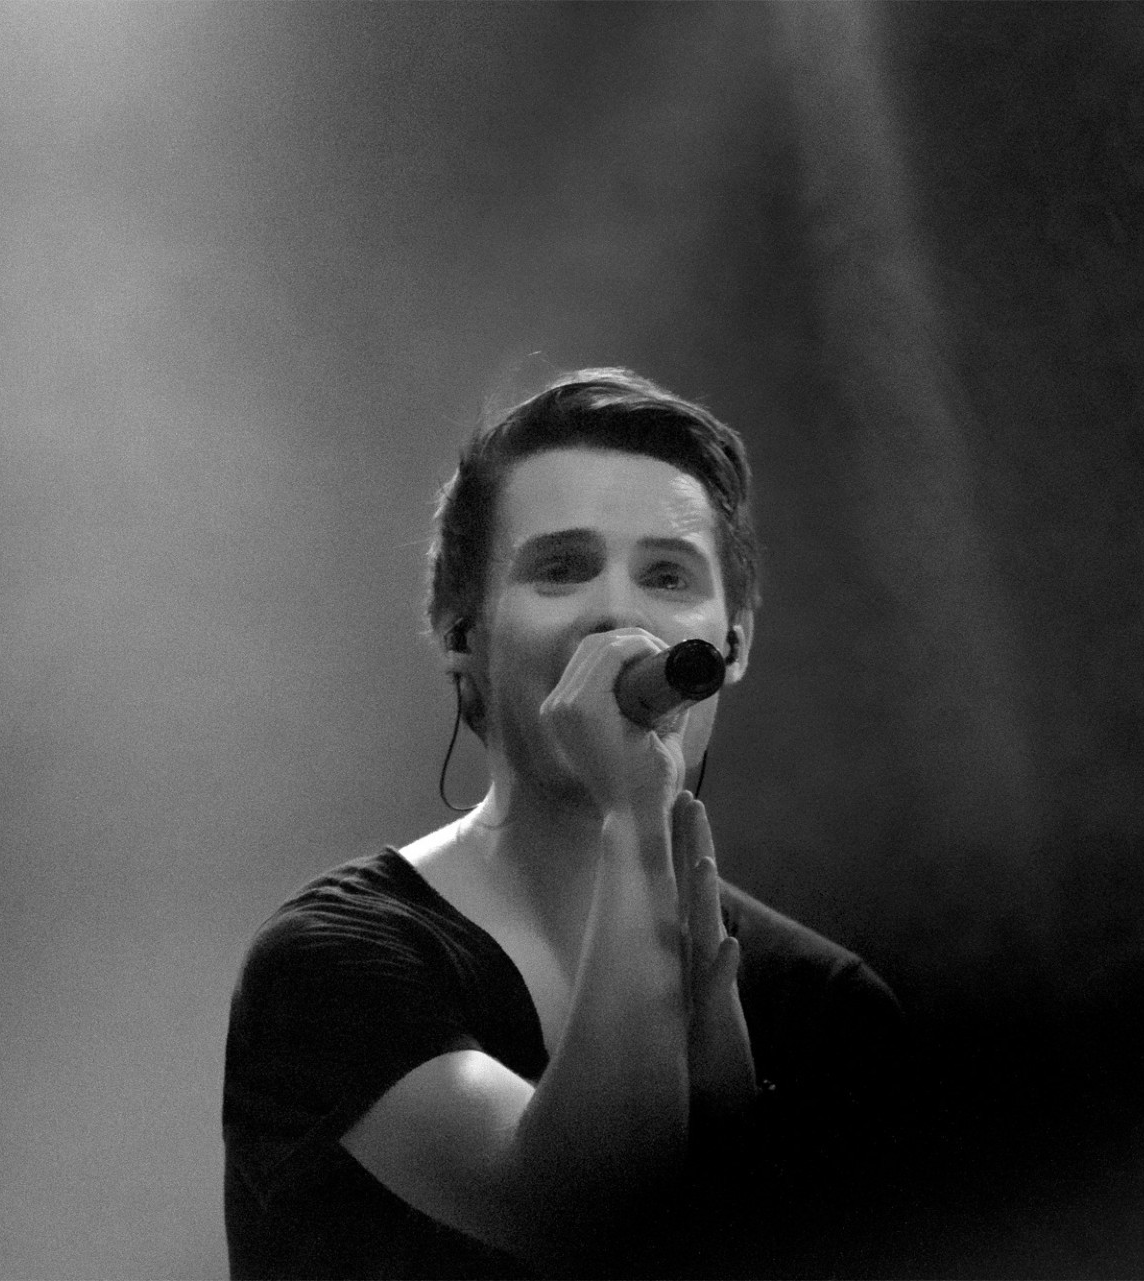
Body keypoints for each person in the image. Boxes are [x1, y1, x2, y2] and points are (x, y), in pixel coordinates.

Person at [223, 370, 906, 1278]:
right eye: (561, 567)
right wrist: (634, 812)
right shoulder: (330, 966)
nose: (617, 612)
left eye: (667, 575)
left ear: (731, 642)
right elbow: (581, 1212)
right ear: (461, 631)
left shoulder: (828, 1007)